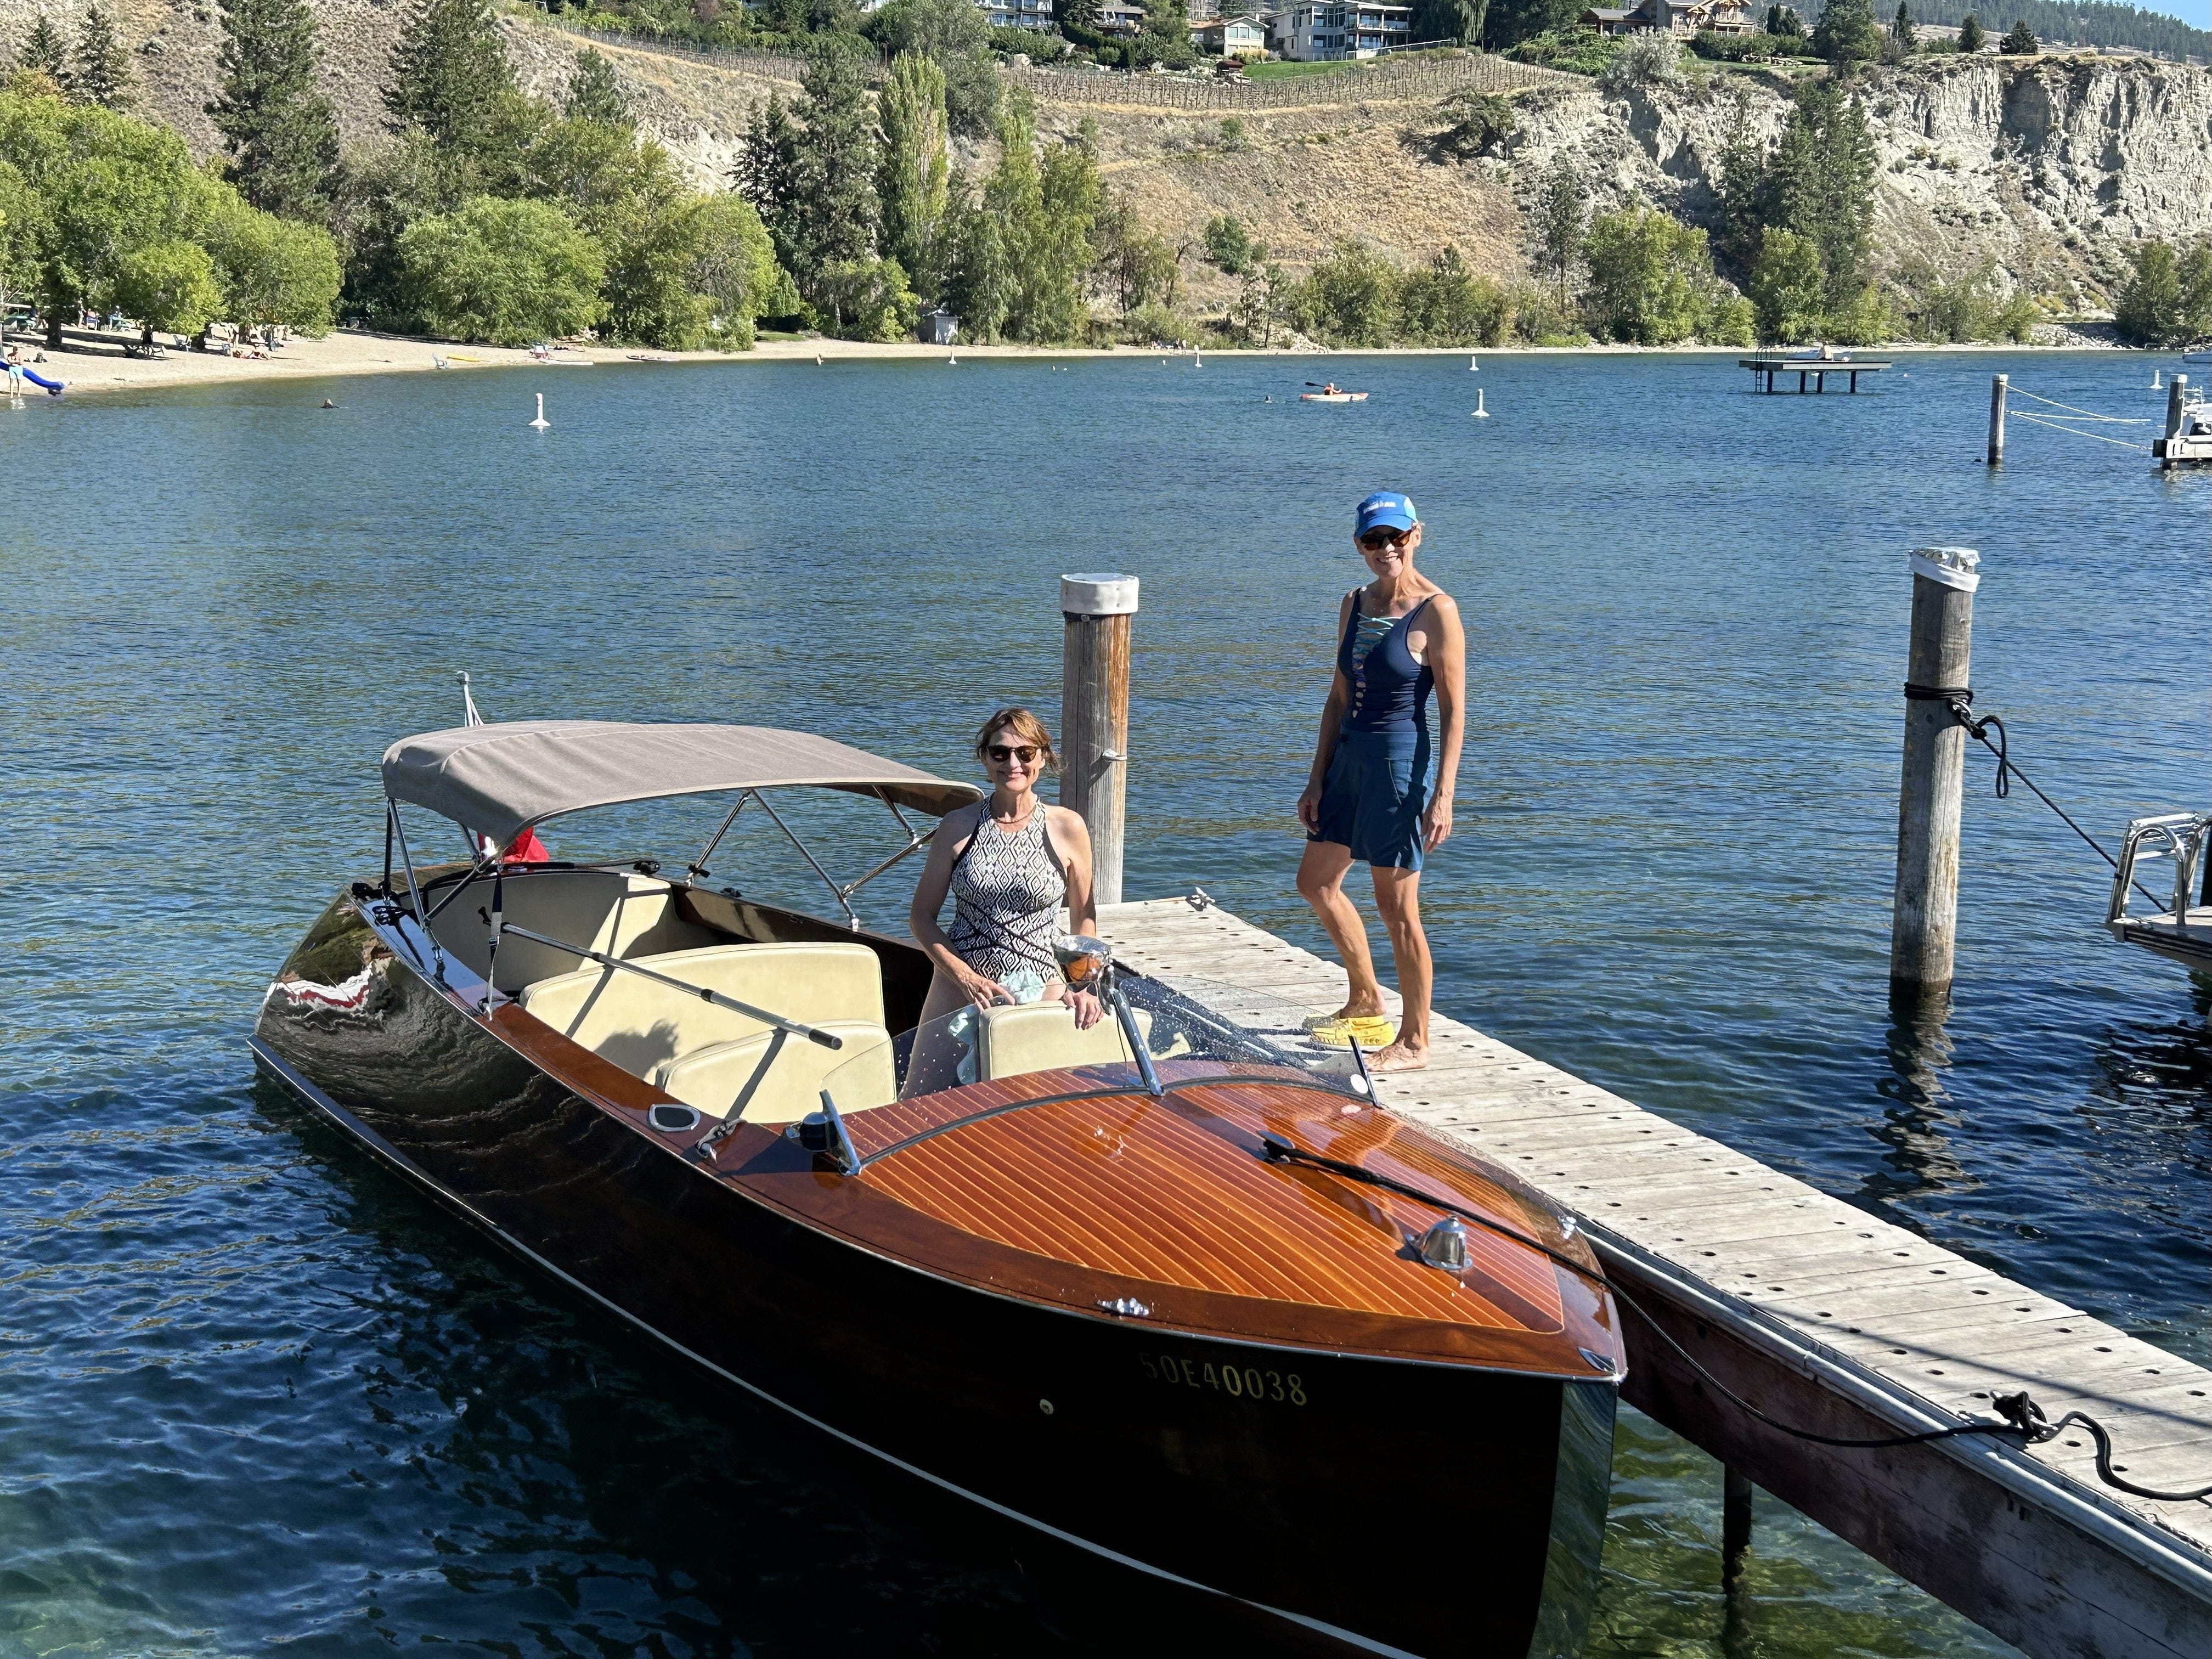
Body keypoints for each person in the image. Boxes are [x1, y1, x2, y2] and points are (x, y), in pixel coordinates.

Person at [1294, 491, 1466, 1071]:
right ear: (1359, 545)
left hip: (1399, 769)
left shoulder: (1437, 610)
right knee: (1316, 882)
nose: (1386, 548)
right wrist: (1316, 779)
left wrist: (1443, 794)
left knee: (1398, 909)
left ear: (1417, 535)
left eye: (1396, 537)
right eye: (1374, 539)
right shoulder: (1353, 603)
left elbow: (1454, 710)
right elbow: (1338, 696)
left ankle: (1415, 1041)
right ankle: (1367, 1000)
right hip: (1347, 765)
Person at [909, 708, 1103, 1052]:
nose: (1013, 763)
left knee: (1034, 1097)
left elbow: (1083, 922)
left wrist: (1085, 987)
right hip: (964, 984)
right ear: (985, 758)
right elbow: (921, 918)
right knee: (922, 1100)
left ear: (1043, 758)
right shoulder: (956, 826)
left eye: (1025, 753)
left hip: (1044, 979)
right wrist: (964, 976)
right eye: (1000, 752)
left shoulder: (1068, 826)